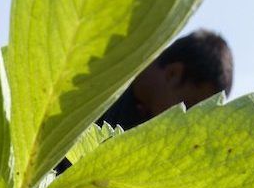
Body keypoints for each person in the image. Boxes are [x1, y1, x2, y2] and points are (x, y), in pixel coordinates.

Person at [100, 30, 234, 129]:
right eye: (188, 107)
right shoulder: (105, 75)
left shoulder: (145, 117)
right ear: (173, 74)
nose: (186, 123)